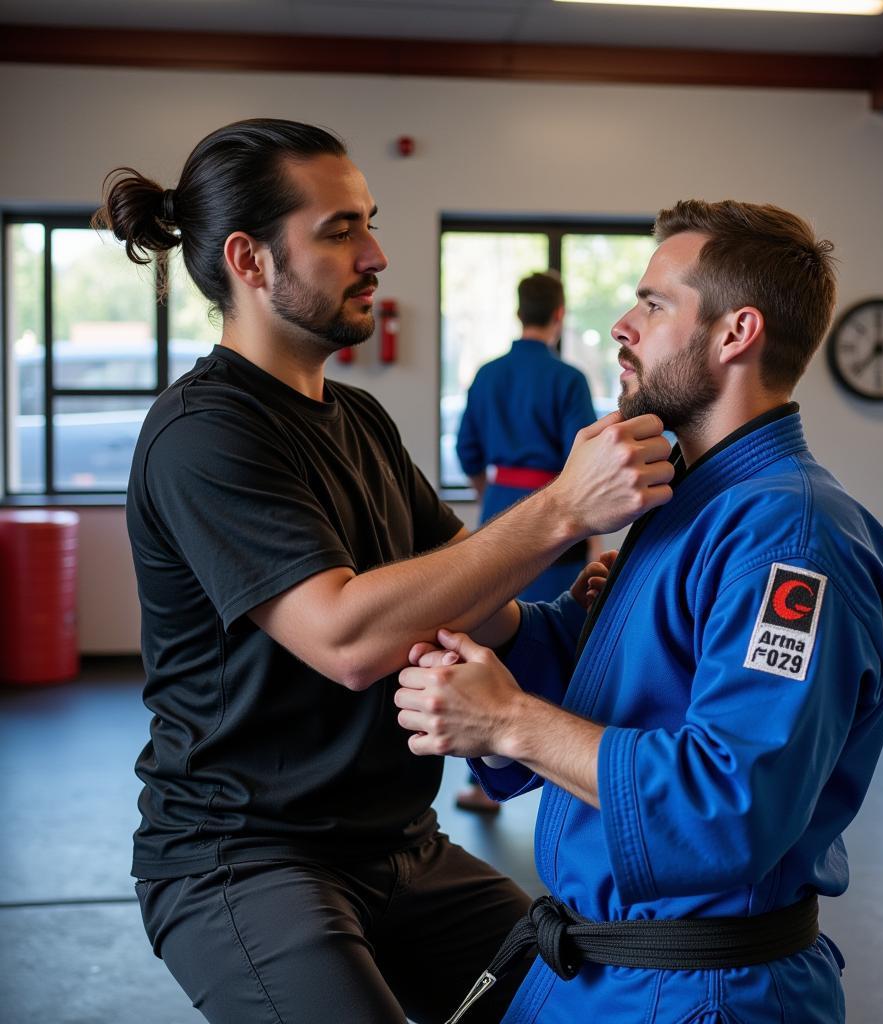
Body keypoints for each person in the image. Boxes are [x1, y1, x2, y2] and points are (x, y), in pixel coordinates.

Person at [96, 118, 675, 1024]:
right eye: (339, 231)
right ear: (249, 260)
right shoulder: (202, 434)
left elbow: (467, 599)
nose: (376, 254)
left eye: (369, 222)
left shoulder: (358, 418)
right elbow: (349, 639)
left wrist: (574, 613)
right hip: (244, 859)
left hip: (400, 845)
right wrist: (562, 508)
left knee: (584, 1007)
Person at [395, 199, 883, 1024]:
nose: (622, 324)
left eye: (652, 303)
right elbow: (614, 679)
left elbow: (731, 802)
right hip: (604, 972)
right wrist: (495, 639)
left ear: (734, 333)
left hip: (699, 992)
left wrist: (508, 722)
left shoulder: (789, 538)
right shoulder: (684, 502)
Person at [454, 270, 598, 813]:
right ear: (558, 315)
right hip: (555, 518)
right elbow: (581, 462)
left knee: (494, 636)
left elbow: (469, 450)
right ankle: (568, 767)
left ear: (519, 311)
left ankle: (482, 779)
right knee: (564, 640)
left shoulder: (488, 375)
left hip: (498, 513)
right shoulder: (568, 380)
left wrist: (494, 498)